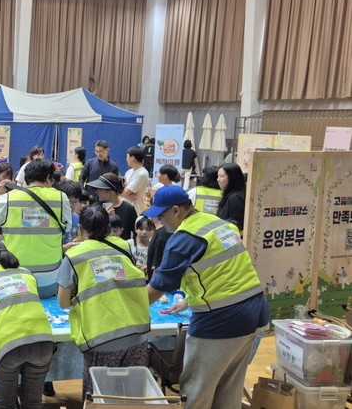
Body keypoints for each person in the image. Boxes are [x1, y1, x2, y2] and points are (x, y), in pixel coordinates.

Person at [144, 186, 268, 408]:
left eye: (161, 216)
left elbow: (159, 286)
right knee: (228, 387)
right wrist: (189, 300)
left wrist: (128, 308)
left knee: (197, 389)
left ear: (175, 210)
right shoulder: (218, 223)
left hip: (222, 319)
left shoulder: (184, 238)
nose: (159, 222)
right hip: (255, 311)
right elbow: (224, 271)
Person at [58, 205, 151, 396]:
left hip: (102, 337)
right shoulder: (123, 246)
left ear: (81, 228)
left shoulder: (75, 256)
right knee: (132, 398)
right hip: (136, 332)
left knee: (100, 396)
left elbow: (63, 303)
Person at [0, 239, 55, 409]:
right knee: (33, 403)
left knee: (4, 403)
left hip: (8, 346)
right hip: (42, 342)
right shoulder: (27, 274)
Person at [0, 158, 72, 298]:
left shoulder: (8, 198)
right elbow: (67, 228)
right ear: (48, 177)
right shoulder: (61, 198)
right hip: (50, 278)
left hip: (16, 277)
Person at [88, 173, 138, 241]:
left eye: (99, 189)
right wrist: (103, 217)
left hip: (121, 246)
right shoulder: (95, 208)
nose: (96, 192)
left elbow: (137, 232)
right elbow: (89, 232)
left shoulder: (128, 209)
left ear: (110, 190)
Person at [216, 163, 247, 232]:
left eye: (221, 176)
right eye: (218, 176)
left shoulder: (235, 199)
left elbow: (237, 225)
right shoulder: (230, 194)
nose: (218, 179)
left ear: (232, 178)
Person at [54, 180, 83, 250]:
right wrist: (63, 248)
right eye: (67, 203)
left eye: (75, 202)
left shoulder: (80, 220)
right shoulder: (51, 221)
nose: (70, 207)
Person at [122, 146, 149, 215]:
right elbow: (121, 187)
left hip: (134, 210)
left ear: (132, 158)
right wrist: (130, 193)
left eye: (127, 157)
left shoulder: (142, 174)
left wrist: (127, 192)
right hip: (124, 207)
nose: (126, 159)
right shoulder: (129, 172)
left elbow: (125, 191)